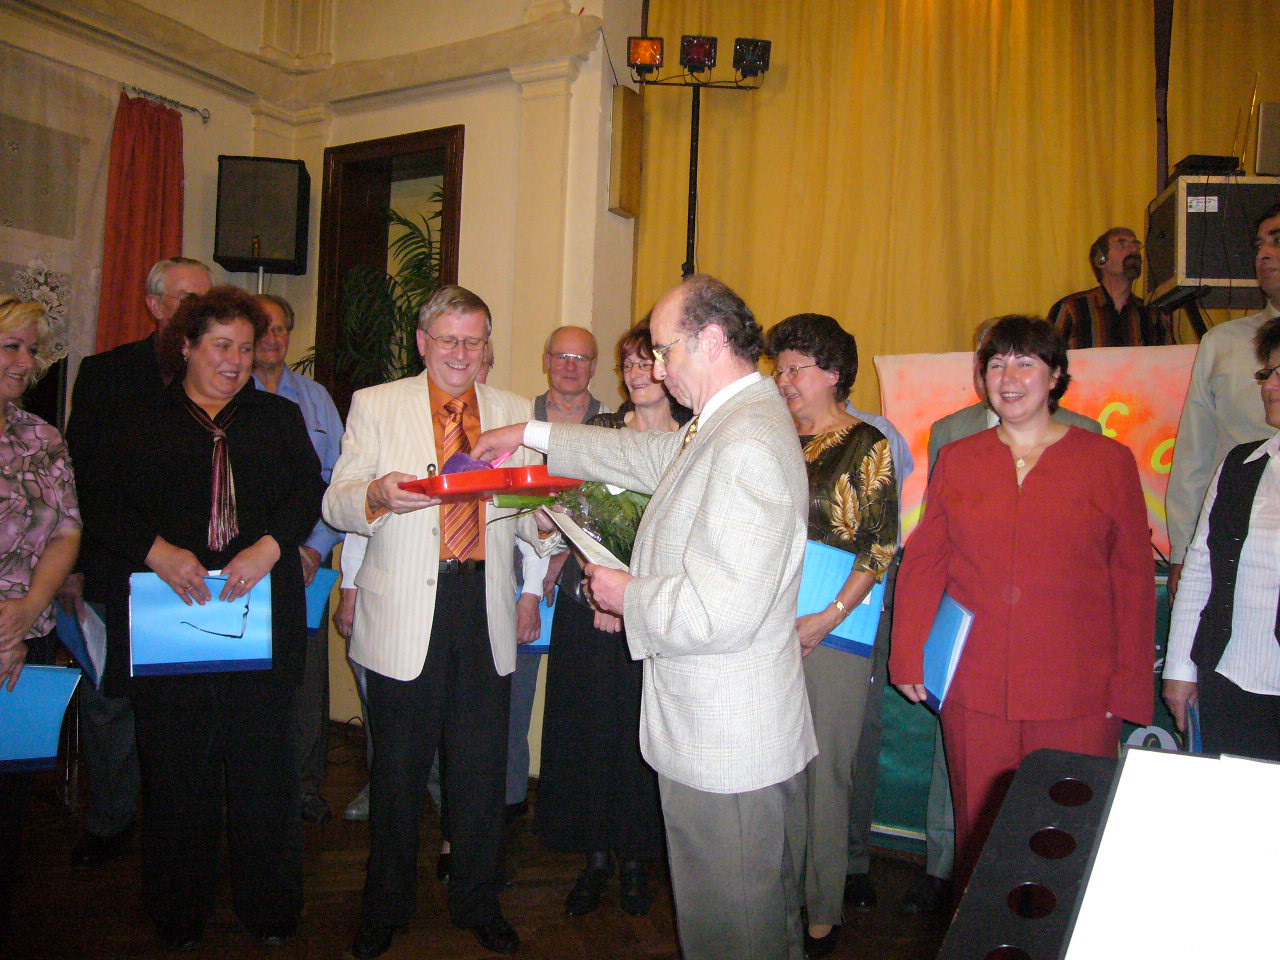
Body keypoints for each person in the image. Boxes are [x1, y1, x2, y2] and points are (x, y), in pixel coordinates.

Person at [475, 274, 816, 960]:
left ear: (710, 341)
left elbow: (721, 610)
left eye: (664, 351)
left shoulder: (745, 440)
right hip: (722, 728)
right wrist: (533, 433)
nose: (657, 370)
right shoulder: (728, 421)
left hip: (725, 743)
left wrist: (627, 593)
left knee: (734, 929)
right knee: (752, 921)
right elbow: (644, 454)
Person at [85, 287, 324, 951]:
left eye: (246, 347)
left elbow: (308, 491)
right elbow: (99, 500)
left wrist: (270, 546)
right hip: (169, 618)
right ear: (187, 346)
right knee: (176, 772)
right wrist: (156, 551)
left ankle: (269, 906)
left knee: (264, 771)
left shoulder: (277, 418)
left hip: (260, 615)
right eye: (222, 345)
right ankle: (178, 909)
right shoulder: (138, 418)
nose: (236, 360)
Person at [890, 315, 1154, 895]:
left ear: (1055, 375)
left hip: (1078, 691)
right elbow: (927, 560)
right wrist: (908, 654)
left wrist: (1130, 687)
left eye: (1025, 363)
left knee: (1062, 839)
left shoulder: (1107, 460)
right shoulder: (960, 458)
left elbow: (1133, 579)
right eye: (996, 364)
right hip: (977, 687)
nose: (1008, 378)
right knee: (981, 837)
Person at [323, 285, 545, 959]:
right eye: (448, 339)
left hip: (482, 607)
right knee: (396, 773)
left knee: (479, 772)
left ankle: (478, 901)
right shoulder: (376, 403)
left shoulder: (513, 411)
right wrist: (375, 494)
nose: (460, 353)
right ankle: (384, 907)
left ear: (486, 347)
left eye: (473, 341)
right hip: (404, 611)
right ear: (423, 342)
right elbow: (336, 502)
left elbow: (528, 515)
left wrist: (552, 518)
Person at [62, 256, 212, 869]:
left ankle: (181, 823)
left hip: (196, 570)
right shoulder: (105, 373)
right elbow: (83, 478)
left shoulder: (220, 373)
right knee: (111, 702)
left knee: (186, 702)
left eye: (206, 299)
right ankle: (112, 818)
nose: (198, 311)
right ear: (154, 305)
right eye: (186, 298)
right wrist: (79, 565)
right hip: (118, 561)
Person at [535, 322, 688, 919]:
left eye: (647, 362)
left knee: (640, 737)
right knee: (587, 734)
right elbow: (572, 518)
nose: (637, 374)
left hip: (657, 617)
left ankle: (636, 860)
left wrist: (633, 600)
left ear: (669, 370)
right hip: (588, 607)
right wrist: (600, 594)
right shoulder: (597, 432)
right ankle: (595, 858)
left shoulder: (693, 439)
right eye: (629, 364)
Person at [765, 314, 896, 959]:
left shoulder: (867, 443)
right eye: (780, 369)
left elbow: (880, 546)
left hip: (836, 628)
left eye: (798, 369)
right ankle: (780, 900)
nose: (785, 380)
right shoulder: (770, 438)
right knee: (776, 769)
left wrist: (826, 618)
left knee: (826, 775)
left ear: (834, 373)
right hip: (765, 626)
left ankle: (822, 910)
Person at [1163, 319, 1280, 761]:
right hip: (1231, 679)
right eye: (1266, 373)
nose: (1268, 386)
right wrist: (1180, 668)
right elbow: (1199, 573)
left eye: (1279, 373)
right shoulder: (1241, 466)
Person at [0, 296, 81, 922]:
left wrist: (26, 613)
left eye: (32, 351)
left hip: (26, 636)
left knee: (9, 799)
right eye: (12, 346)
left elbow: (66, 532)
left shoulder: (41, 436)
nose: (27, 362)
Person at [506, 325, 609, 821]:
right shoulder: (518, 420)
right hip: (517, 573)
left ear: (594, 366)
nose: (570, 366)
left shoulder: (612, 426)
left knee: (580, 704)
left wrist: (566, 555)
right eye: (562, 355)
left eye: (581, 358)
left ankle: (575, 812)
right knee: (511, 699)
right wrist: (540, 552)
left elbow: (617, 510)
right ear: (546, 359)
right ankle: (508, 802)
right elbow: (504, 497)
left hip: (585, 582)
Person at [252, 292, 345, 825]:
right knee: (249, 675)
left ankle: (304, 785)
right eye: (263, 328)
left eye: (281, 328)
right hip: (243, 564)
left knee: (306, 677)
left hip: (307, 560)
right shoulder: (227, 392)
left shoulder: (315, 398)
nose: (273, 338)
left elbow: (338, 480)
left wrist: (315, 547)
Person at [1166, 203, 1280, 598]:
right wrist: (1183, 552)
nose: (1264, 255)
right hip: (1237, 538)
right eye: (1259, 246)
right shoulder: (1224, 343)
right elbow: (1195, 455)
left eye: (1277, 241)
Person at [1047, 227, 1170, 349]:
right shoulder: (1071, 308)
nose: (1134, 250)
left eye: (1136, 245)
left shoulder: (1152, 314)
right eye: (1122, 245)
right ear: (1101, 260)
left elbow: (1171, 358)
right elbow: (1047, 357)